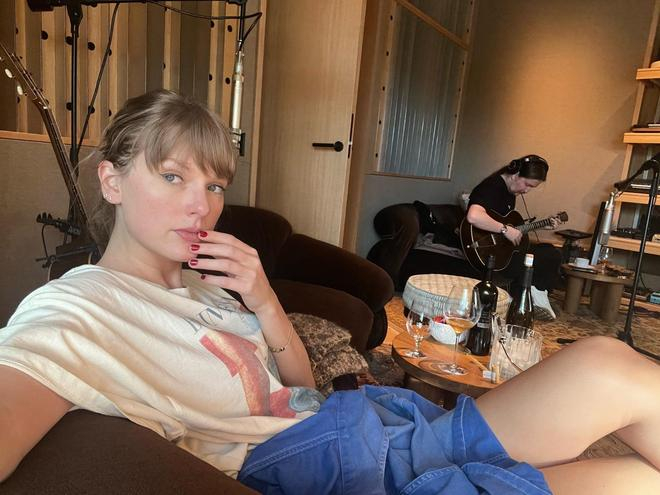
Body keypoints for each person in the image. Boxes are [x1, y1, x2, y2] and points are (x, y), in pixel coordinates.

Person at [1, 90, 660, 494]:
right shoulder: (78, 305)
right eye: (173, 176)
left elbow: (300, 382)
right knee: (608, 370)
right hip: (331, 467)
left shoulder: (206, 282)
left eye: (214, 185)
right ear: (112, 181)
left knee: (636, 464)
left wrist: (263, 300)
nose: (201, 205)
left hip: (362, 424)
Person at [466, 154, 562, 293]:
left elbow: (509, 227)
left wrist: (542, 225)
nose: (526, 191)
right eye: (527, 184)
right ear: (515, 174)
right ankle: (530, 297)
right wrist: (505, 229)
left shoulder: (510, 192)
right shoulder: (492, 186)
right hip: (486, 251)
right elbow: (473, 216)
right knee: (550, 256)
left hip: (502, 250)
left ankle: (530, 295)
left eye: (531, 187)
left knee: (549, 250)